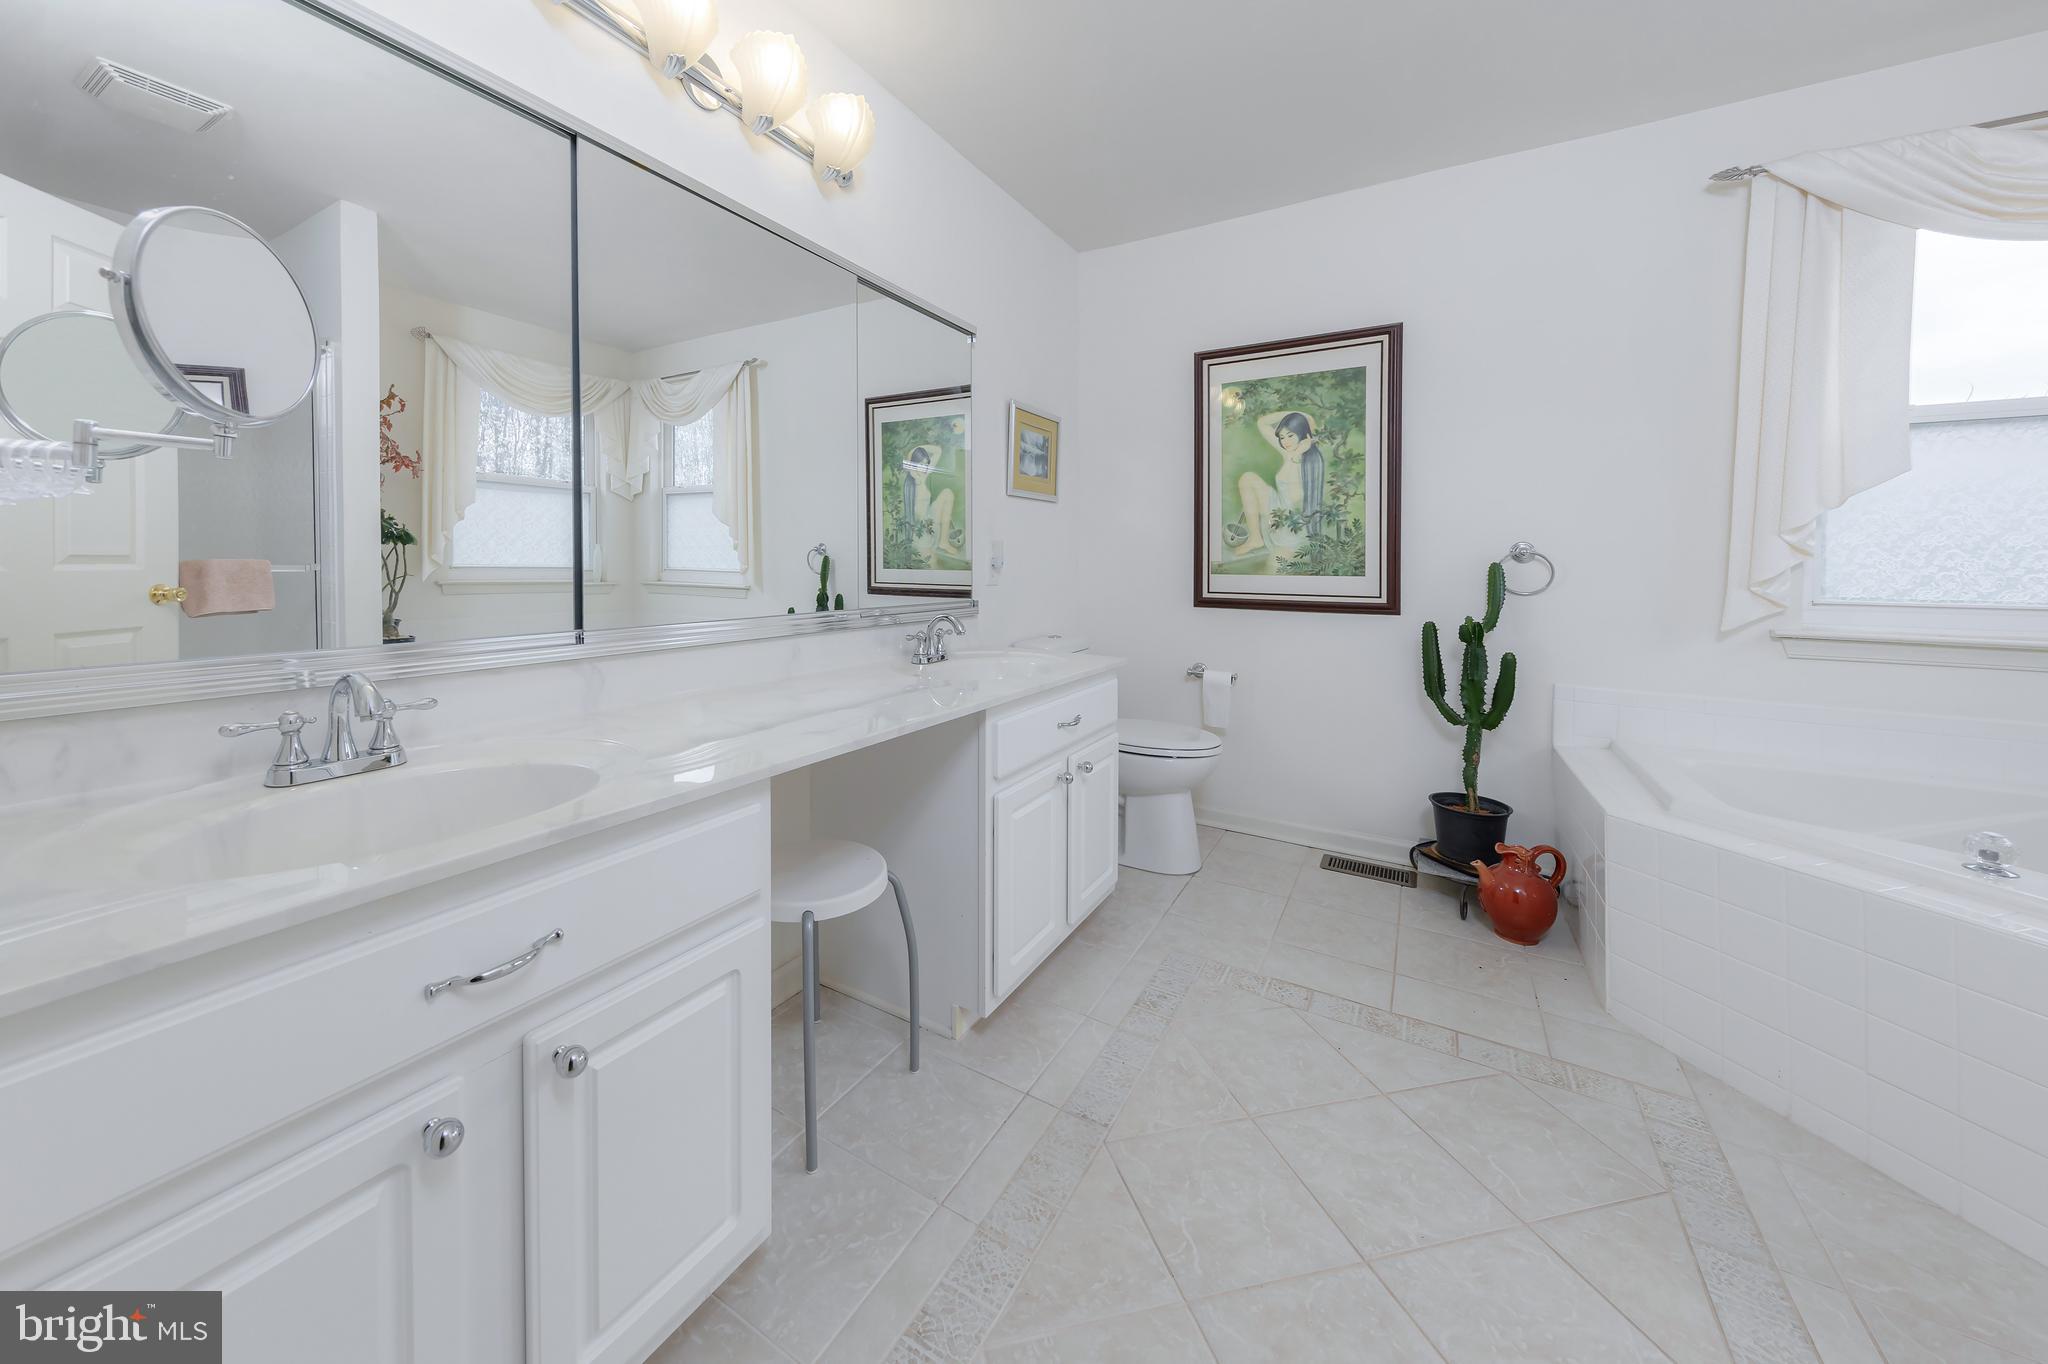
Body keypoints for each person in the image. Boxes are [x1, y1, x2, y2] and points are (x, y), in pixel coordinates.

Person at [1234, 410, 1325, 562]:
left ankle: (1264, 538)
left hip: (1289, 523)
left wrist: (1296, 455)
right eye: (1282, 437)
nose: (1285, 441)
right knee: (1247, 478)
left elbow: (1296, 500)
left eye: (1290, 436)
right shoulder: (1289, 451)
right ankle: (1256, 538)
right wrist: (1299, 413)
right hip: (1278, 506)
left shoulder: (1312, 462)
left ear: (1303, 435)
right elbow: (1262, 423)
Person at [901, 444, 957, 568]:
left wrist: (915, 449)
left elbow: (938, 450)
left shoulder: (923, 475)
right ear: (914, 463)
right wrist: (913, 454)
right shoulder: (910, 479)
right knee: (932, 562)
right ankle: (937, 543)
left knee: (947, 493)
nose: (925, 467)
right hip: (922, 526)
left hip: (930, 517)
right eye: (921, 464)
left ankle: (943, 541)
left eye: (926, 464)